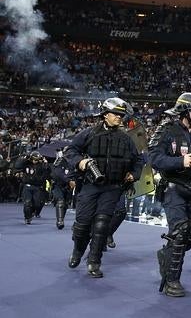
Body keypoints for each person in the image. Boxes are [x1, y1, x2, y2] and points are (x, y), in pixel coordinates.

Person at [65, 97, 143, 278]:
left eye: (121, 115)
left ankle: (94, 261)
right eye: (115, 114)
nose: (119, 117)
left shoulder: (126, 138)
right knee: (82, 225)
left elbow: (139, 160)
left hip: (113, 188)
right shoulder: (89, 133)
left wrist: (134, 173)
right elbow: (71, 151)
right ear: (105, 115)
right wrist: (80, 162)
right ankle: (78, 250)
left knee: (101, 225)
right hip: (90, 186)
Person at [149, 92, 191, 297]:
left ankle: (166, 255)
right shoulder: (166, 130)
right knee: (180, 231)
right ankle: (173, 280)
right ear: (184, 112)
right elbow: (154, 158)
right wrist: (180, 161)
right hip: (173, 187)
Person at [21, 151, 50, 224]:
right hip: (28, 186)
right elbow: (18, 165)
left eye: (37, 159)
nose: (35, 161)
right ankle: (27, 218)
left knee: (37, 204)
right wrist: (25, 158)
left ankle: (32, 213)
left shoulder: (42, 165)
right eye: (34, 159)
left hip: (37, 187)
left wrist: (46, 163)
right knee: (27, 203)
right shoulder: (26, 164)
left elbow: (48, 172)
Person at [50, 148, 76, 229]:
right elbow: (57, 173)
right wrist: (69, 180)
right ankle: (60, 221)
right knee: (60, 201)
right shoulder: (60, 161)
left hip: (69, 187)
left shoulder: (76, 162)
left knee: (65, 204)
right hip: (58, 185)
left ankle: (63, 220)